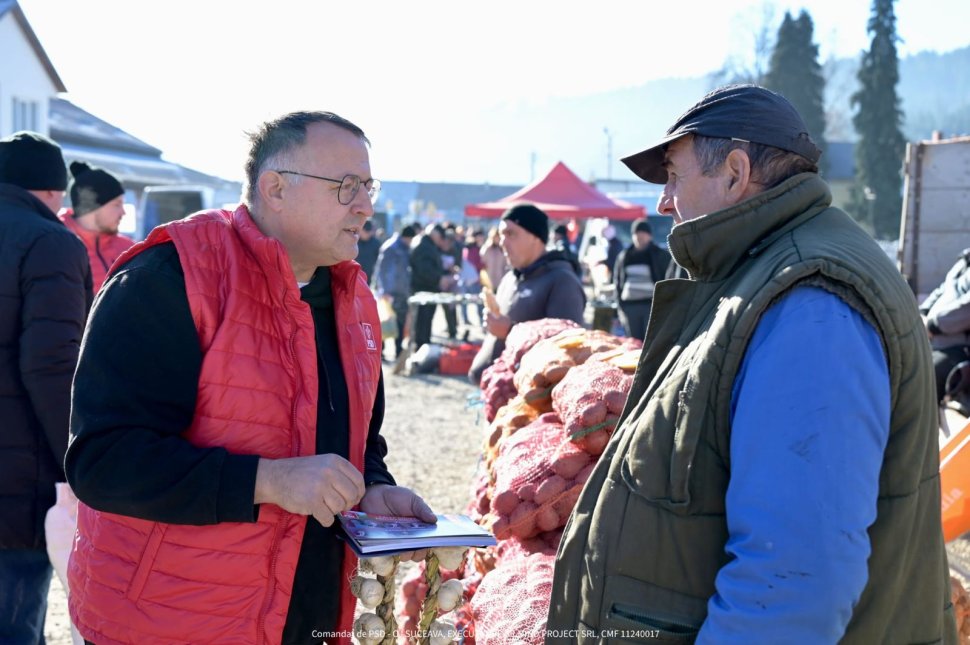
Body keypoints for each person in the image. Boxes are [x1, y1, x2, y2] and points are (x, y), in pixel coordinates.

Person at [547, 85, 956, 643]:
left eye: (673, 174)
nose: (664, 201)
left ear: (736, 173)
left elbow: (791, 584)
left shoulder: (812, 304)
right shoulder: (766, 276)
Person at [65, 111, 435, 645]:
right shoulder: (169, 278)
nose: (366, 206)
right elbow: (104, 463)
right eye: (347, 187)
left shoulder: (353, 302)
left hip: (307, 611)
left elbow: (357, 438)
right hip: (173, 620)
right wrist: (269, 481)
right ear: (275, 188)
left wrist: (372, 489)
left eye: (368, 186)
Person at [0, 131, 93, 643]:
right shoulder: (50, 243)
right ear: (55, 192)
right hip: (15, 482)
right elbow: (52, 364)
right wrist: (78, 456)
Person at [468, 203, 586, 386]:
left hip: (530, 403)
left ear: (535, 237)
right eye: (501, 235)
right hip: (495, 397)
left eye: (511, 234)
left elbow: (568, 348)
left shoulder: (562, 281)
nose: (502, 242)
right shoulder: (510, 278)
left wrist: (509, 331)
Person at [59, 161, 135, 291]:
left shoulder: (129, 249)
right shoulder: (58, 246)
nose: (123, 212)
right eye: (117, 204)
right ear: (93, 206)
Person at [920, 248, 970, 403]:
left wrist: (932, 325)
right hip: (933, 342)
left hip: (958, 349)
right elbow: (941, 289)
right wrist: (922, 312)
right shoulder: (964, 261)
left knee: (925, 378)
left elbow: (966, 309)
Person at [612, 218, 671, 340]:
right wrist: (620, 305)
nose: (640, 237)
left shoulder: (660, 255)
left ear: (649, 235)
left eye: (643, 234)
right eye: (636, 234)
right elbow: (617, 281)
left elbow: (669, 278)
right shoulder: (624, 256)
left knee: (650, 340)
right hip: (630, 307)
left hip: (651, 305)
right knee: (633, 342)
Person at [374, 223, 417, 360]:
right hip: (390, 293)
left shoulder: (403, 247)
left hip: (401, 292)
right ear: (407, 237)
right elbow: (381, 271)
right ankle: (381, 352)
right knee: (385, 322)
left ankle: (398, 351)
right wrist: (384, 290)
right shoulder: (391, 248)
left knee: (399, 322)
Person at [409, 223, 453, 350]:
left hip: (427, 289)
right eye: (441, 237)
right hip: (423, 290)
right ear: (436, 234)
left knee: (426, 321)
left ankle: (424, 345)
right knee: (423, 321)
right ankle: (421, 347)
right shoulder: (424, 245)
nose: (441, 241)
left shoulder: (427, 244)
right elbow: (424, 270)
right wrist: (440, 278)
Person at [480, 225, 509, 290]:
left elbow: (506, 263)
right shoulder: (487, 248)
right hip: (489, 277)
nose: (497, 239)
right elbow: (482, 259)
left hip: (500, 277)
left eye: (498, 237)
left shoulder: (502, 249)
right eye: (495, 237)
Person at [355, 219, 381, 285]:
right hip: (354, 274)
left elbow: (379, 260)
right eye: (365, 232)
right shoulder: (354, 241)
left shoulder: (376, 243)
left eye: (368, 232)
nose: (367, 234)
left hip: (367, 276)